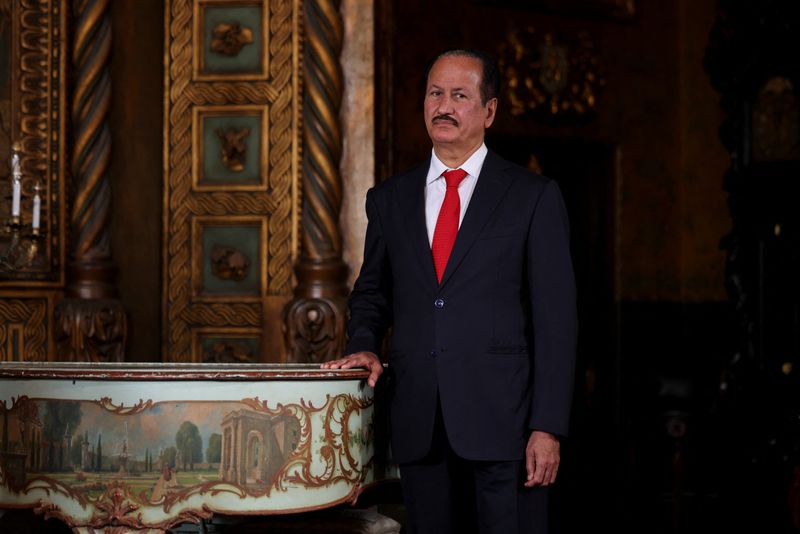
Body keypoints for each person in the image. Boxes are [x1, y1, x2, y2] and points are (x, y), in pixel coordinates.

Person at [322, 49, 577, 534]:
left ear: (489, 111)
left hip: (507, 425)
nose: (444, 105)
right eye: (435, 93)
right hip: (420, 422)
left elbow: (556, 321)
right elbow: (372, 293)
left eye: (460, 95)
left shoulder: (533, 196)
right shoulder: (389, 198)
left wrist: (547, 426)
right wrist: (363, 345)